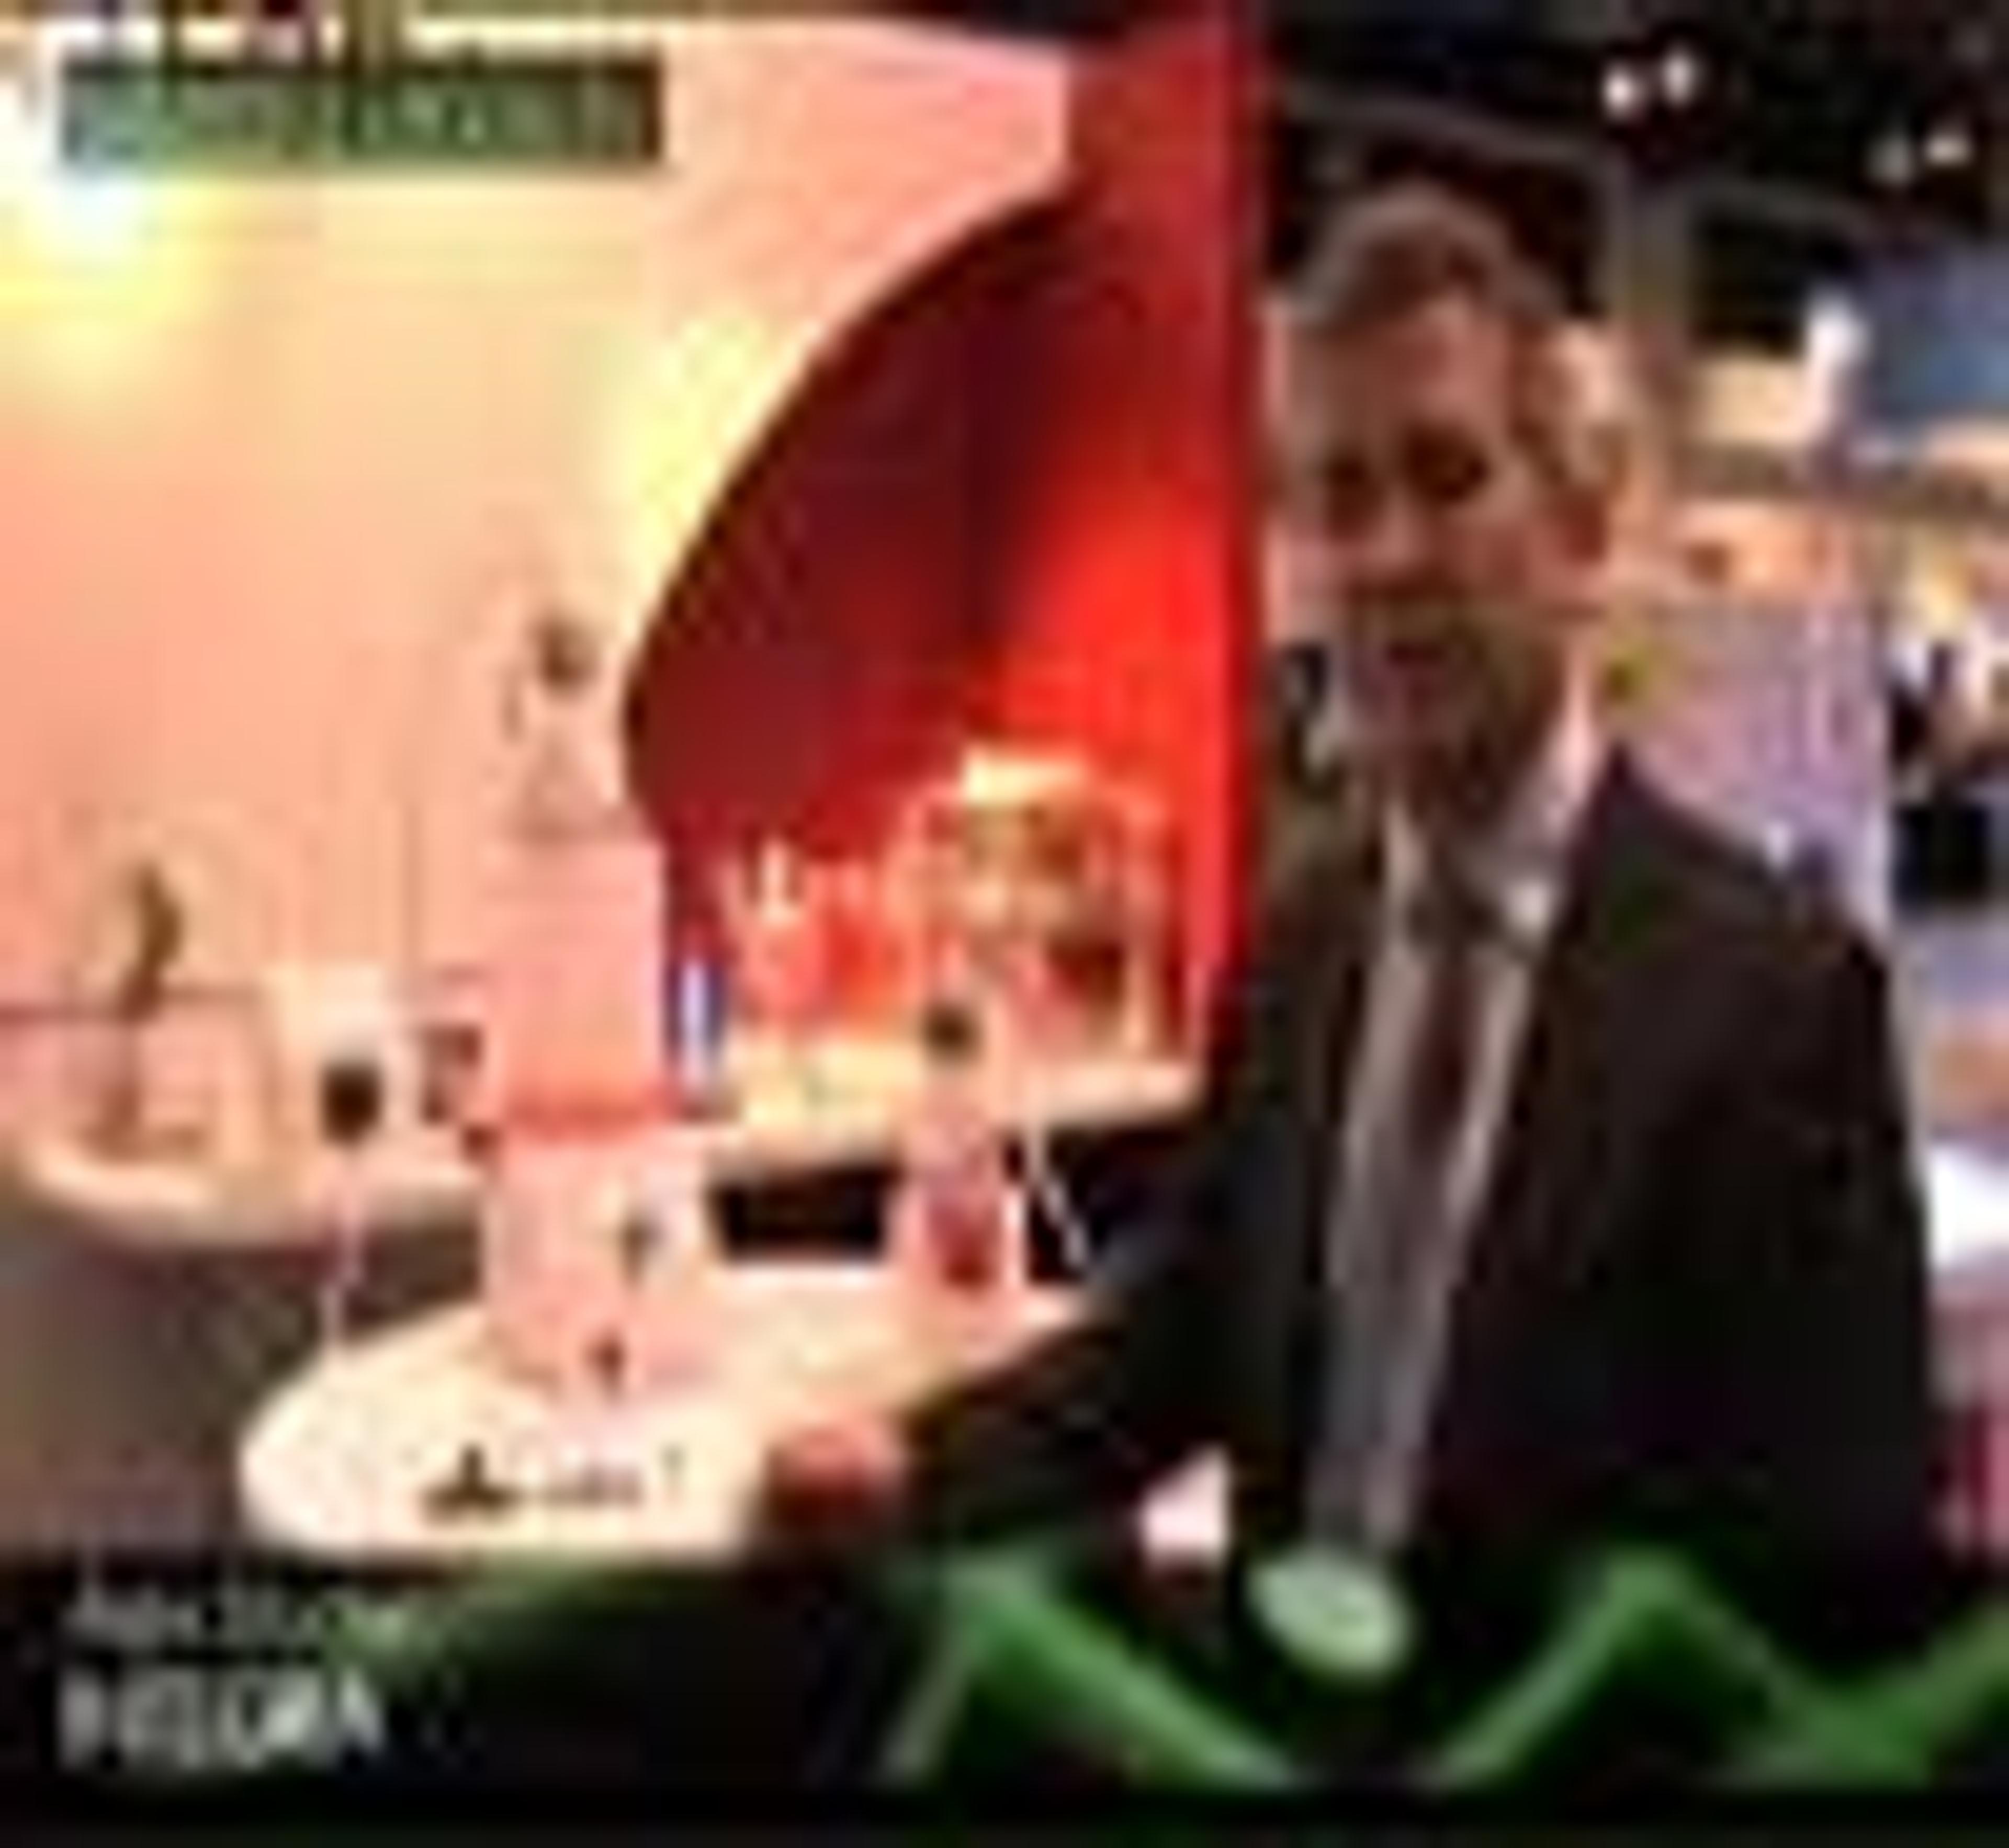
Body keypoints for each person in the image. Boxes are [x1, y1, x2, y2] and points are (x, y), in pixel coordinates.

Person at [758, 183, 1942, 1566]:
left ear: (1576, 520)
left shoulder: (1774, 1005)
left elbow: (1839, 1565)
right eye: (1342, 498)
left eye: (1447, 476)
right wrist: (914, 1464)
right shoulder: (1297, 952)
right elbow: (1167, 1346)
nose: (1388, 557)